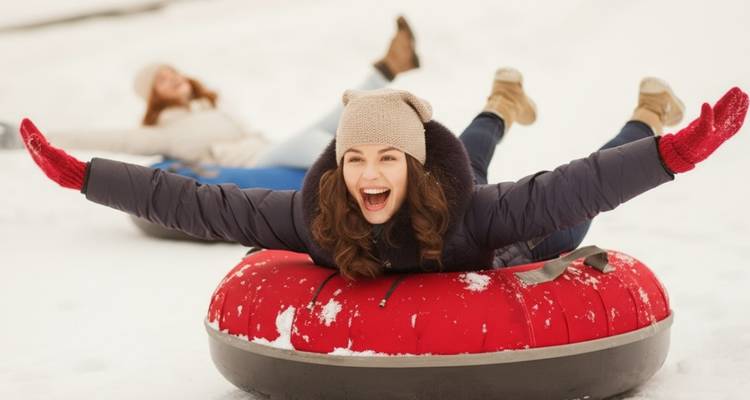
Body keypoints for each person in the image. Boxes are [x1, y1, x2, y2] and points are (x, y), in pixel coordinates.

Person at [17, 71, 748, 280]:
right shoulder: (314, 216)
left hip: (516, 243)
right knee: (470, 165)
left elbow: (574, 185)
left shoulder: (474, 209)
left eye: (387, 158)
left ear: (407, 162)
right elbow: (198, 201)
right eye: (356, 158)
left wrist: (671, 152)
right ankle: (500, 101)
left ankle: (648, 112)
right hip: (450, 196)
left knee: (536, 198)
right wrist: (86, 175)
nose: (369, 171)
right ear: (340, 166)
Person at [2, 16, 420, 171]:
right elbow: (101, 138)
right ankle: (403, 167)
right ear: (156, 98)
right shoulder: (161, 132)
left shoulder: (209, 105)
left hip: (270, 148)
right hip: (255, 165)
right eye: (161, 81)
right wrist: (29, 136)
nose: (173, 78)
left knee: (342, 113)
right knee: (323, 140)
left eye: (172, 72)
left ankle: (388, 67)